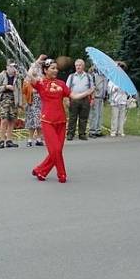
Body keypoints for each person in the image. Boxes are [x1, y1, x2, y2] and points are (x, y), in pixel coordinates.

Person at [27, 55, 90, 183]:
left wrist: (88, 92)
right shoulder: (40, 83)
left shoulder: (61, 83)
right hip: (47, 121)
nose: (56, 70)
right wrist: (37, 62)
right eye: (52, 68)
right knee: (55, 150)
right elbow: (29, 75)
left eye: (56, 68)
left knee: (57, 150)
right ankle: (62, 174)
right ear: (45, 70)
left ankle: (40, 170)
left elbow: (74, 96)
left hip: (61, 121)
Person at [0, 61, 22, 148]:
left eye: (15, 67)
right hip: (4, 100)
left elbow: (20, 90)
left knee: (12, 120)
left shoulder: (17, 77)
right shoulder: (1, 75)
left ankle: (9, 140)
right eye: (11, 66)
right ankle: (1, 140)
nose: (13, 69)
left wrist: (20, 104)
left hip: (14, 99)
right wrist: (6, 87)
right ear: (7, 67)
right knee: (4, 119)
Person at [66, 59, 94, 140]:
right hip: (73, 99)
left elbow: (92, 89)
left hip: (85, 100)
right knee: (72, 117)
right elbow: (67, 89)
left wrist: (92, 99)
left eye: (79, 65)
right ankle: (70, 134)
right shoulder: (71, 77)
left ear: (83, 66)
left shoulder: (88, 76)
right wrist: (67, 100)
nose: (78, 67)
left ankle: (82, 134)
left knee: (83, 117)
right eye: (76, 65)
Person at [107, 68, 132, 137]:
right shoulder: (112, 80)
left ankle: (121, 131)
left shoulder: (124, 81)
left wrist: (127, 92)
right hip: (115, 101)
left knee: (122, 117)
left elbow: (128, 90)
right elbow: (108, 91)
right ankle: (113, 131)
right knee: (114, 117)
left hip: (123, 100)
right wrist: (114, 89)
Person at [22, 78, 44, 147]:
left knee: (39, 121)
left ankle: (39, 138)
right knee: (32, 122)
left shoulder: (41, 79)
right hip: (31, 103)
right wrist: (32, 90)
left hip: (40, 103)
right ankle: (30, 139)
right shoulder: (27, 80)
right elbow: (24, 91)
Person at [87, 65, 107, 138]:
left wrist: (105, 96)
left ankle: (98, 130)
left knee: (100, 114)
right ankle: (92, 131)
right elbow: (92, 86)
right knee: (94, 114)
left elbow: (105, 88)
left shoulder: (105, 76)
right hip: (95, 97)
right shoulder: (94, 76)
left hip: (102, 97)